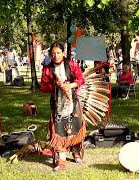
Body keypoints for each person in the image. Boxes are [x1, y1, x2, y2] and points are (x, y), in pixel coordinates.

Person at [41, 42, 86, 171]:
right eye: (53, 53)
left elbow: (81, 79)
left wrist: (69, 86)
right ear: (50, 55)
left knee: (76, 127)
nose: (55, 56)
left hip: (72, 101)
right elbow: (44, 87)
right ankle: (61, 160)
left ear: (63, 53)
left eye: (58, 53)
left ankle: (76, 152)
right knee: (59, 130)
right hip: (57, 103)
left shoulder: (71, 64)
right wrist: (55, 85)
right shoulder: (47, 69)